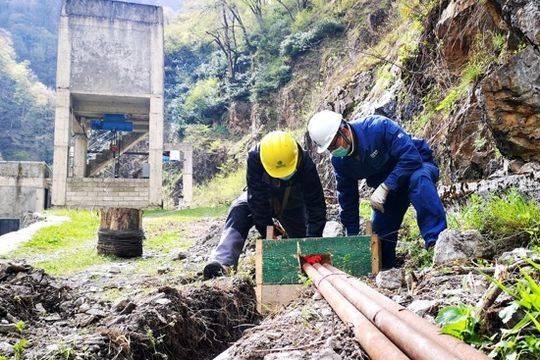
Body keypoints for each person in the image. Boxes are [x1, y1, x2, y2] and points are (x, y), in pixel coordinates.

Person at [308, 110, 447, 270]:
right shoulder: (340, 161)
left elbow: (411, 158)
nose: (334, 150)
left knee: (419, 180)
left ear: (344, 129)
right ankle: (387, 268)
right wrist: (351, 237)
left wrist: (386, 186)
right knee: (380, 239)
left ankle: (436, 243)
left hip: (416, 167)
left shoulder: (378, 127)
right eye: (330, 148)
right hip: (389, 190)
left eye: (334, 144)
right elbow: (347, 198)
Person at [203, 130, 327, 279]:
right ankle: (223, 263)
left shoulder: (305, 162)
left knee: (302, 239)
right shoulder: (255, 157)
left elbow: (316, 205)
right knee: (239, 209)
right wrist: (266, 230)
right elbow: (256, 199)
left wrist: (312, 241)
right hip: (263, 197)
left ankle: (300, 270)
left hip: (292, 202)